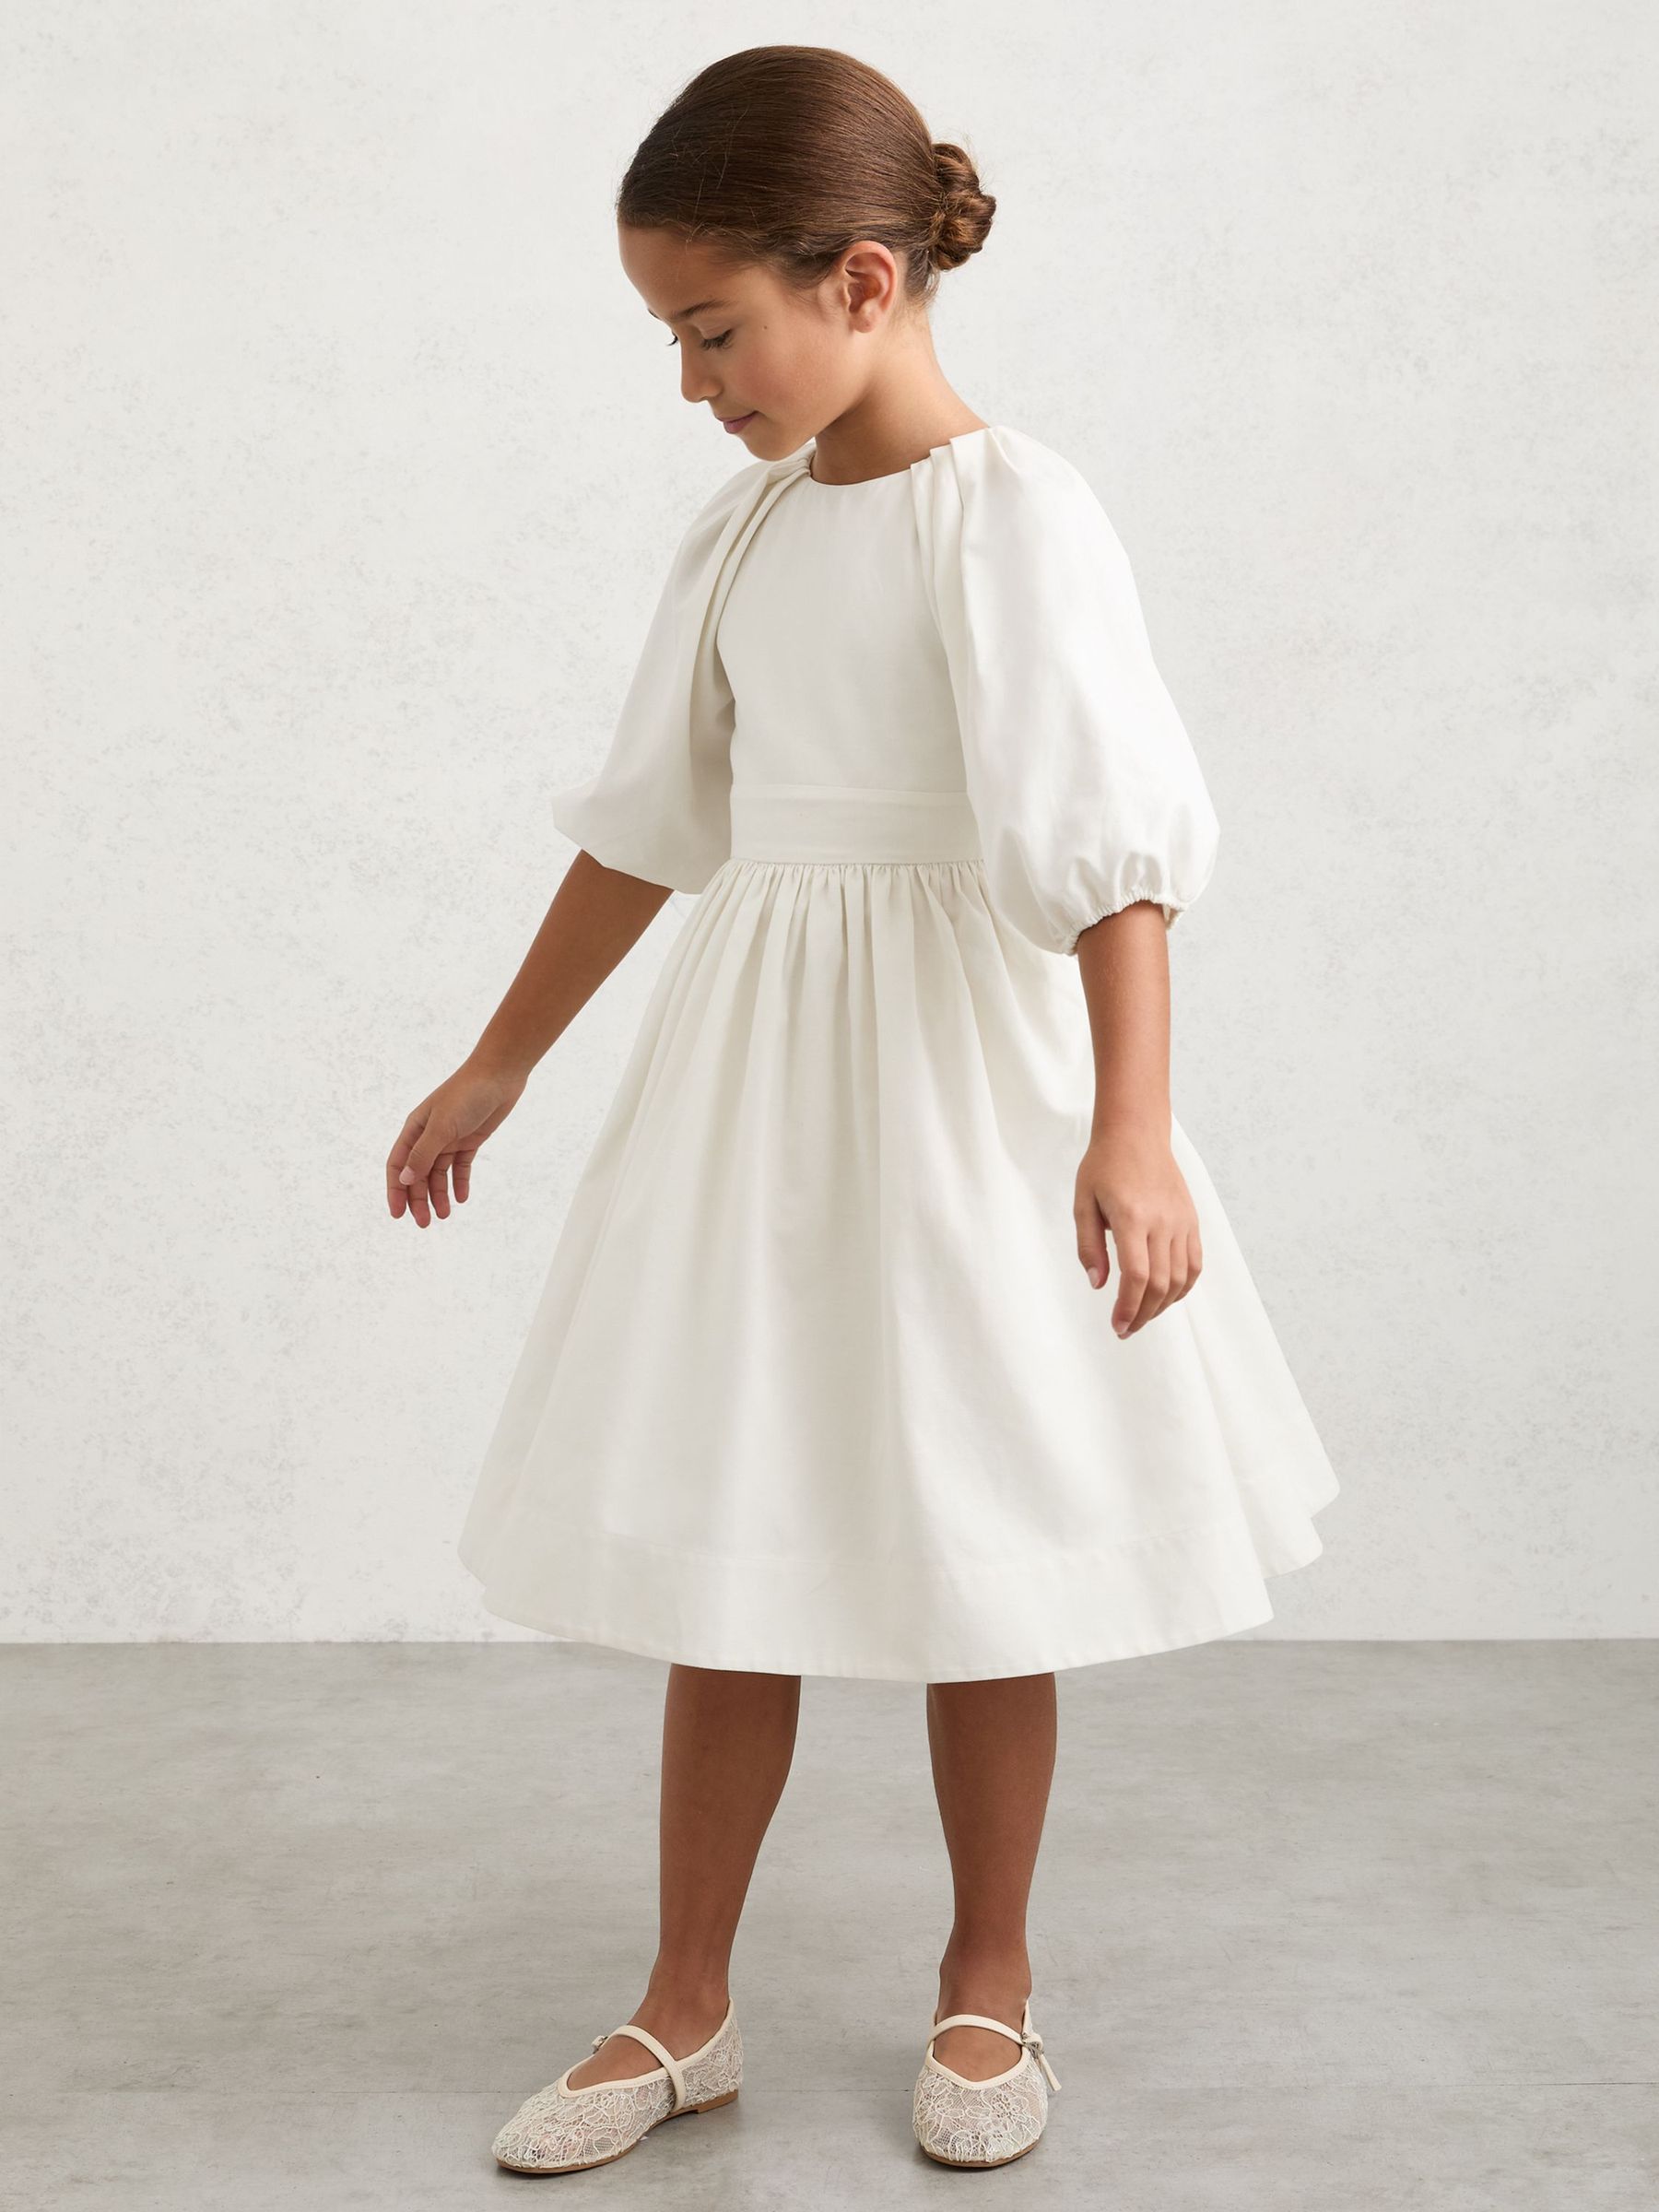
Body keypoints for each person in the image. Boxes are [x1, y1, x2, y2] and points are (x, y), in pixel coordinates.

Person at [385, 43, 1339, 2177]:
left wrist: (1132, 1126)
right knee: (742, 1516)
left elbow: (1112, 849)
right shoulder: (739, 536)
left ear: (866, 282)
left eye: (714, 330)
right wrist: (501, 1057)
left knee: (982, 1525)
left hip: (966, 1080)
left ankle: (988, 1976)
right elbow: (651, 823)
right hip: (762, 1082)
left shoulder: (1017, 517)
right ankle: (685, 2003)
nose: (692, 381)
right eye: (672, 339)